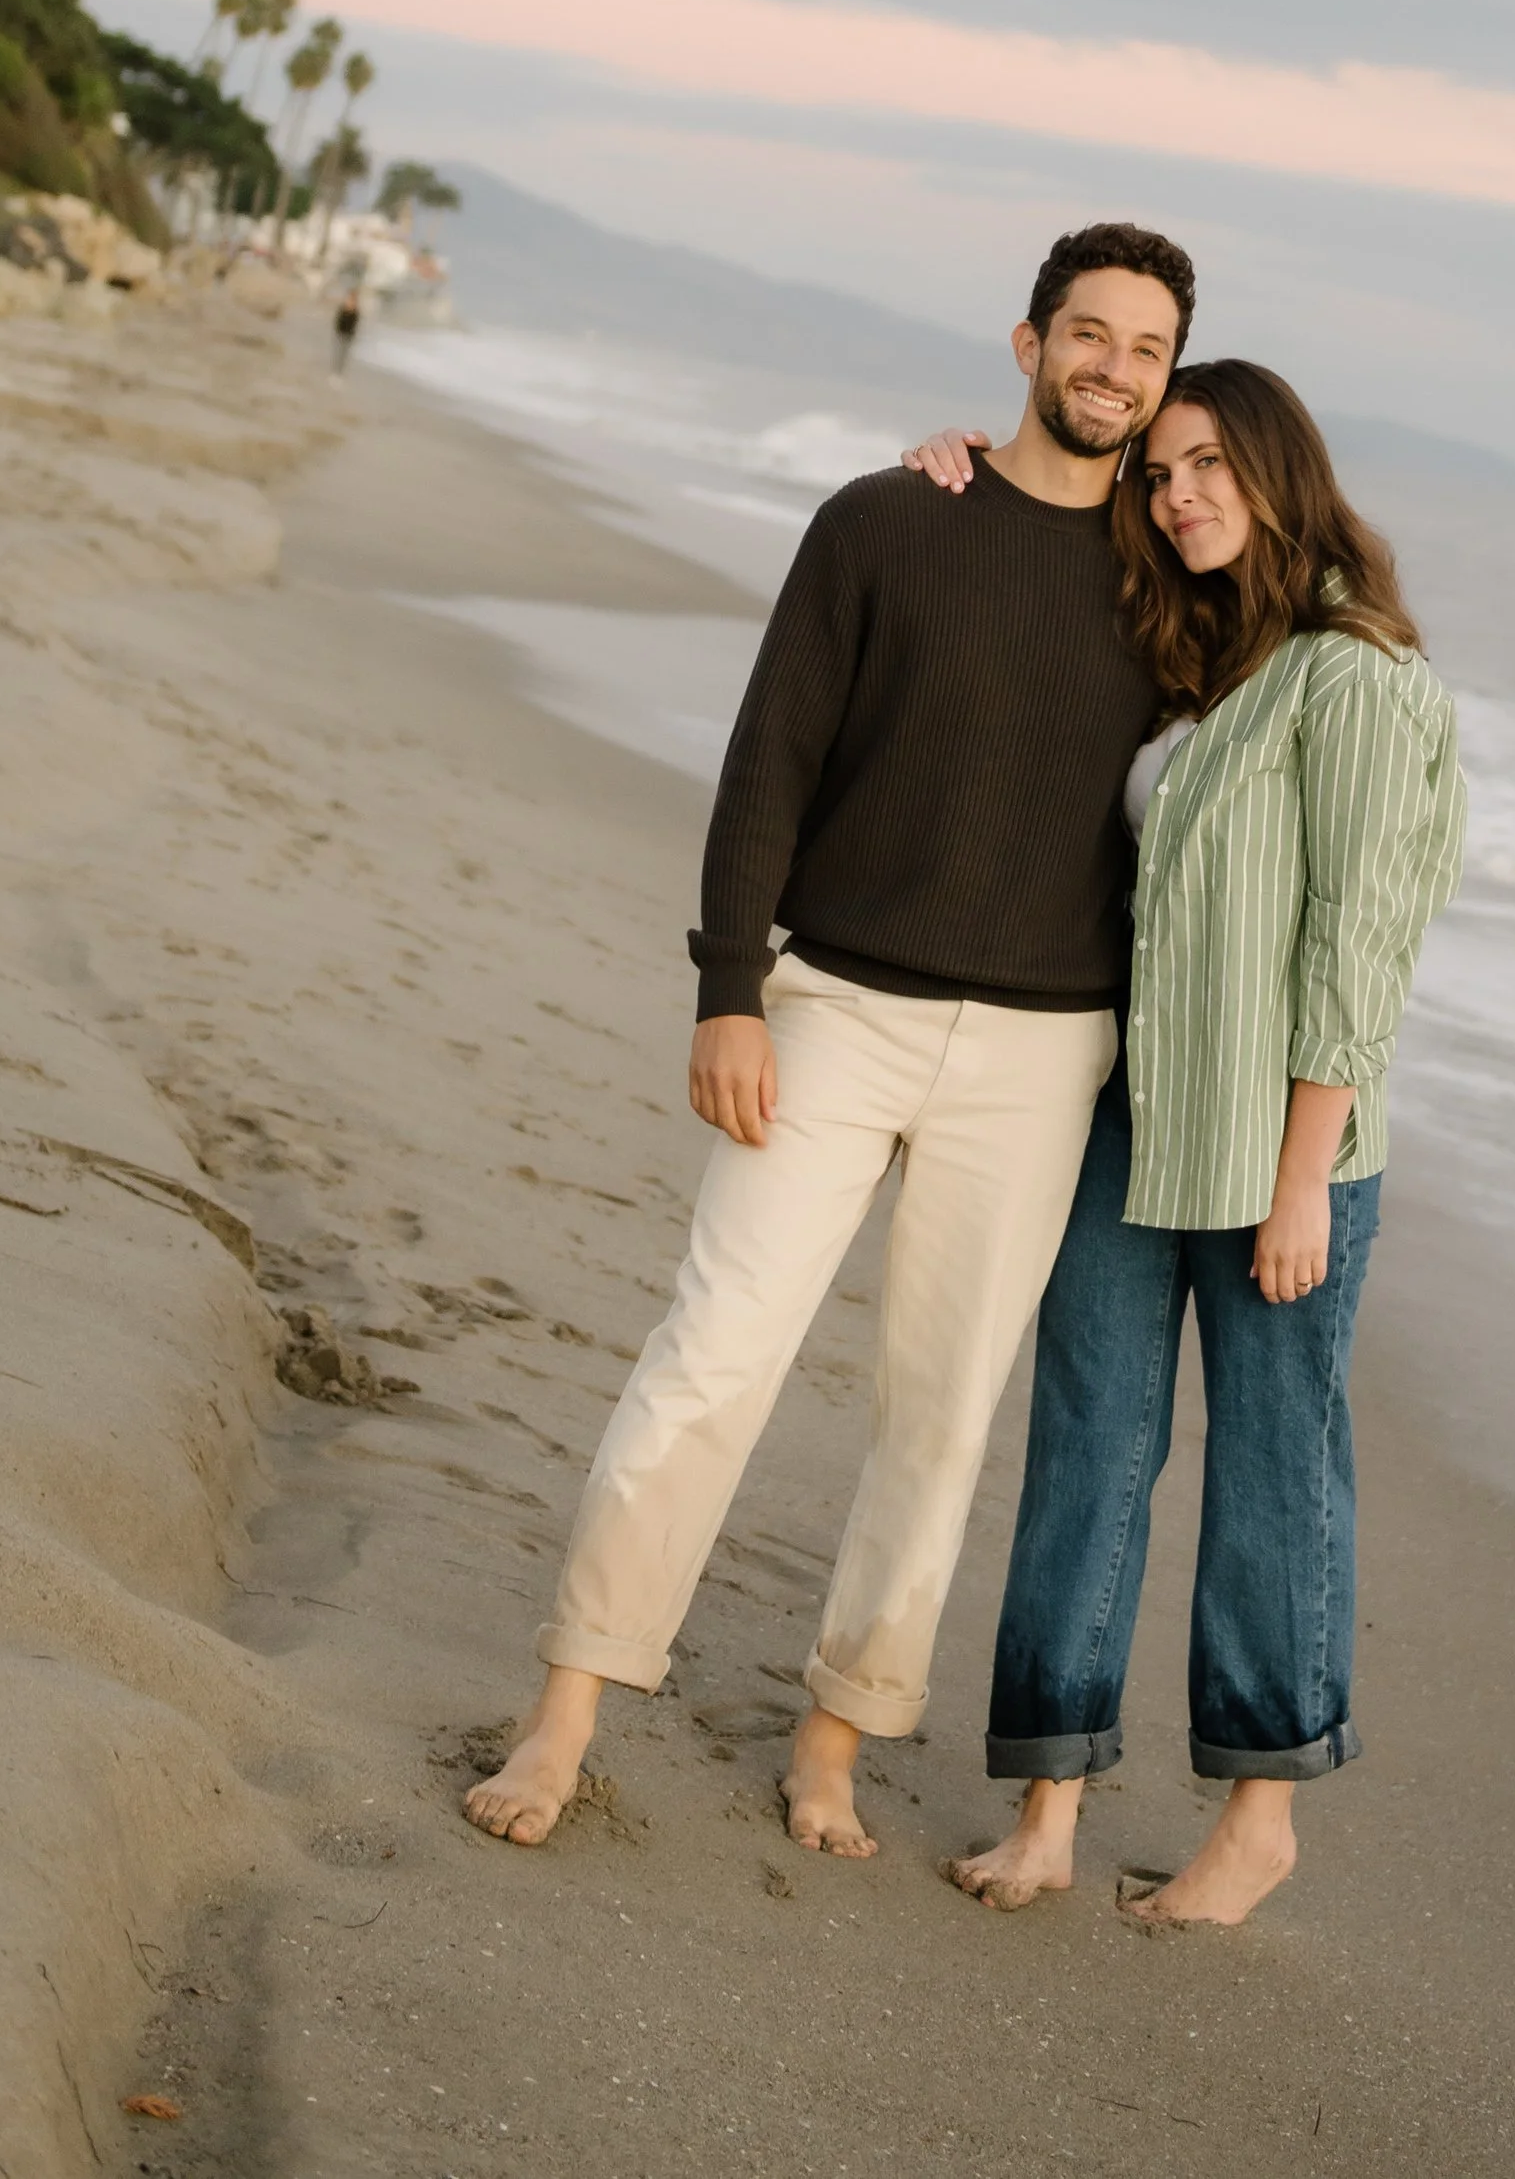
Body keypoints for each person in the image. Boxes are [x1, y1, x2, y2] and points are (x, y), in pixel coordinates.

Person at [460, 220, 1197, 1861]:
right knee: (711, 1357)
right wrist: (729, 983)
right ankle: (570, 1701)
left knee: (937, 1417)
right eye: (1089, 335)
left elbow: (1309, 639)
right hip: (834, 1010)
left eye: (1147, 351)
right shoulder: (882, 517)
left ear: (1165, 382)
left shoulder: (1173, 586)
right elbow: (768, 762)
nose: (1113, 369)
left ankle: (835, 1738)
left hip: (1043, 1053)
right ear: (1026, 344)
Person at [906, 359, 1464, 1927]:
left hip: (1285, 1160)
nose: (1179, 494)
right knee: (1088, 1447)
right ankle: (1051, 1800)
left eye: (1211, 463)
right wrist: (954, 455)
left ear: (1283, 469)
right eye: (1161, 472)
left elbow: (1359, 948)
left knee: (1275, 1478)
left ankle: (1260, 1816)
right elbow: (1036, 527)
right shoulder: (1204, 652)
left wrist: (1302, 1181)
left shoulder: (1355, 680)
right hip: (1131, 1130)